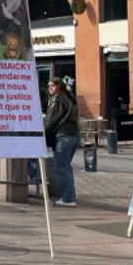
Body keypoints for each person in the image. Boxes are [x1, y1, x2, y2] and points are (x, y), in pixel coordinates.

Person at [43, 78, 80, 208]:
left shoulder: (58, 100)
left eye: (52, 86)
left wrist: (44, 134)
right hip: (73, 135)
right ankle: (68, 196)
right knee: (66, 168)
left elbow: (51, 120)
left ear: (59, 86)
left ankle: (68, 198)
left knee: (62, 168)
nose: (50, 89)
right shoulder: (69, 99)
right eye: (49, 86)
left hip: (63, 136)